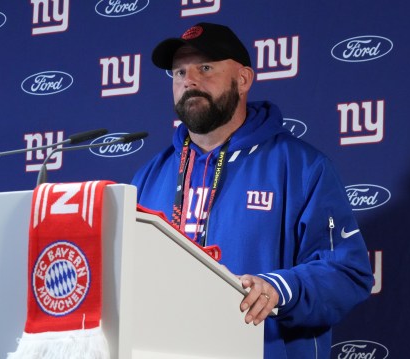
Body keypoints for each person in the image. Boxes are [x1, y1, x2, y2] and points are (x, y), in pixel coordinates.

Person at [131, 22, 374, 359]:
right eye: (179, 72)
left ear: (243, 79)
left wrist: (281, 288)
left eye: (205, 67)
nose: (189, 80)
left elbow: (348, 272)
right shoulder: (147, 179)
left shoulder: (303, 168)